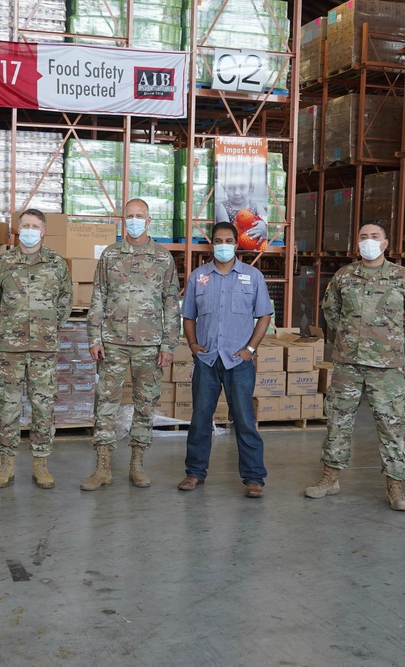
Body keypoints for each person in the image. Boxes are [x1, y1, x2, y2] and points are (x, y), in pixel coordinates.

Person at [304, 220, 405, 511]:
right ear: (357, 243)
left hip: (387, 368)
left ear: (386, 243)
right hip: (348, 364)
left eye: (375, 236)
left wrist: (396, 342)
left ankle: (395, 487)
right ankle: (330, 478)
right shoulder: (344, 277)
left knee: (392, 424)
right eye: (363, 236)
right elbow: (330, 310)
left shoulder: (402, 277)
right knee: (338, 421)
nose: (368, 241)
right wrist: (347, 337)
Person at [82, 198, 180, 490]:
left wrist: (169, 345)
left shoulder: (163, 258)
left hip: (150, 345)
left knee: (145, 404)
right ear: (122, 221)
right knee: (106, 404)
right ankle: (102, 467)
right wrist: (94, 337)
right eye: (130, 216)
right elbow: (98, 296)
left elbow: (171, 303)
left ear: (149, 221)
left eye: (140, 216)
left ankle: (137, 462)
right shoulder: (111, 255)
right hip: (112, 343)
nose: (135, 220)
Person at [177, 221, 273, 498]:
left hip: (238, 362)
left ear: (236, 243)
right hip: (207, 361)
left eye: (228, 240)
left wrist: (250, 349)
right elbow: (189, 316)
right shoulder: (199, 277)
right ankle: (194, 473)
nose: (223, 245)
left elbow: (264, 315)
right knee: (200, 418)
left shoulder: (252, 276)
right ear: (212, 245)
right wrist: (193, 345)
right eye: (218, 241)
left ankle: (254, 478)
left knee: (244, 419)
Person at [0, 209, 72, 489]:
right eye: (25, 225)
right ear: (17, 229)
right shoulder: (3, 263)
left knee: (42, 407)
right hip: (10, 348)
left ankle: (41, 463)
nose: (30, 229)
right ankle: (6, 464)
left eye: (35, 226)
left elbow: (65, 301)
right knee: (8, 407)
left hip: (43, 350)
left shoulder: (57, 264)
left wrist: (49, 327)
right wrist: (4, 327)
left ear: (43, 230)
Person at [214, 164, 268, 243]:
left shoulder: (256, 206)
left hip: (254, 247)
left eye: (242, 187)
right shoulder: (222, 207)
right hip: (232, 248)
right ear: (224, 188)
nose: (236, 193)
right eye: (231, 188)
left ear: (250, 188)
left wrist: (264, 227)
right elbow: (225, 233)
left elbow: (267, 224)